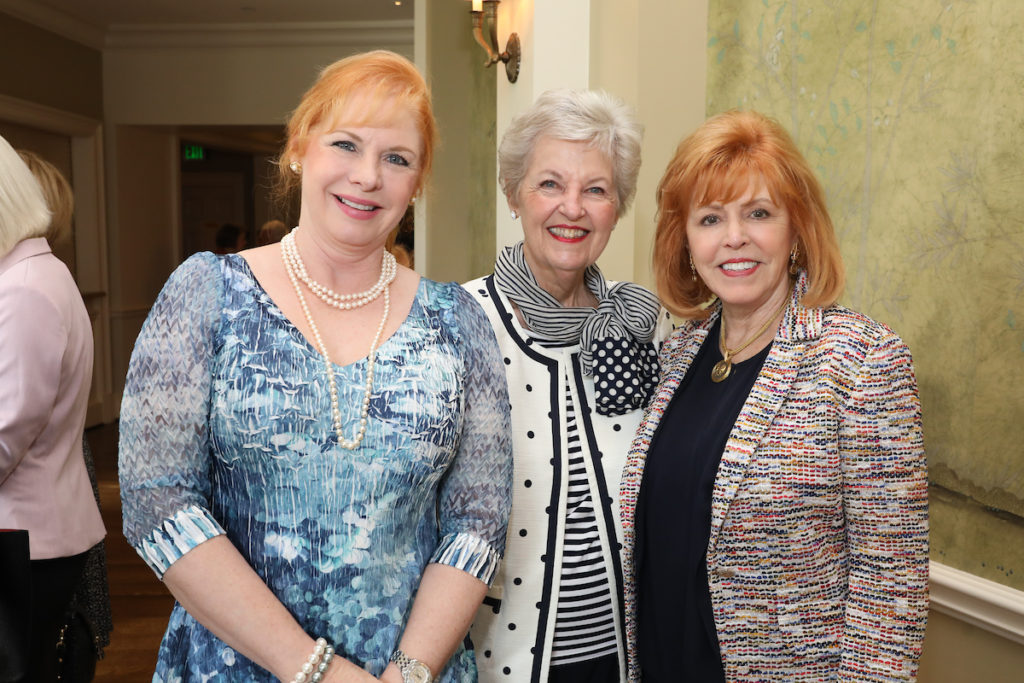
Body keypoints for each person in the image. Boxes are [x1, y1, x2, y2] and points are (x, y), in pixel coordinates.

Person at [119, 50, 514, 683]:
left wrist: (409, 673)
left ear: (418, 182)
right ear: (301, 146)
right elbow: (157, 507)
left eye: (397, 159)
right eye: (346, 145)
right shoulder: (206, 294)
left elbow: (476, 523)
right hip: (234, 666)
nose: (367, 177)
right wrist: (315, 672)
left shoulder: (459, 321)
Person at [619, 110, 929, 682]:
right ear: (686, 240)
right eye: (710, 218)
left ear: (795, 230)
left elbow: (891, 580)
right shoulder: (677, 354)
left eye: (758, 214)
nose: (734, 238)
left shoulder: (862, 359)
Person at [465, 89, 671, 683]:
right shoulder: (458, 324)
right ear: (513, 195)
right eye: (550, 184)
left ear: (618, 206)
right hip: (499, 660)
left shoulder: (642, 324)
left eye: (597, 190)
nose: (572, 208)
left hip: (629, 658)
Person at [0, 136, 105, 682]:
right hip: (33, 536)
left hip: (22, 540)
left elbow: (6, 436)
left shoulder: (24, 290)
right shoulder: (36, 275)